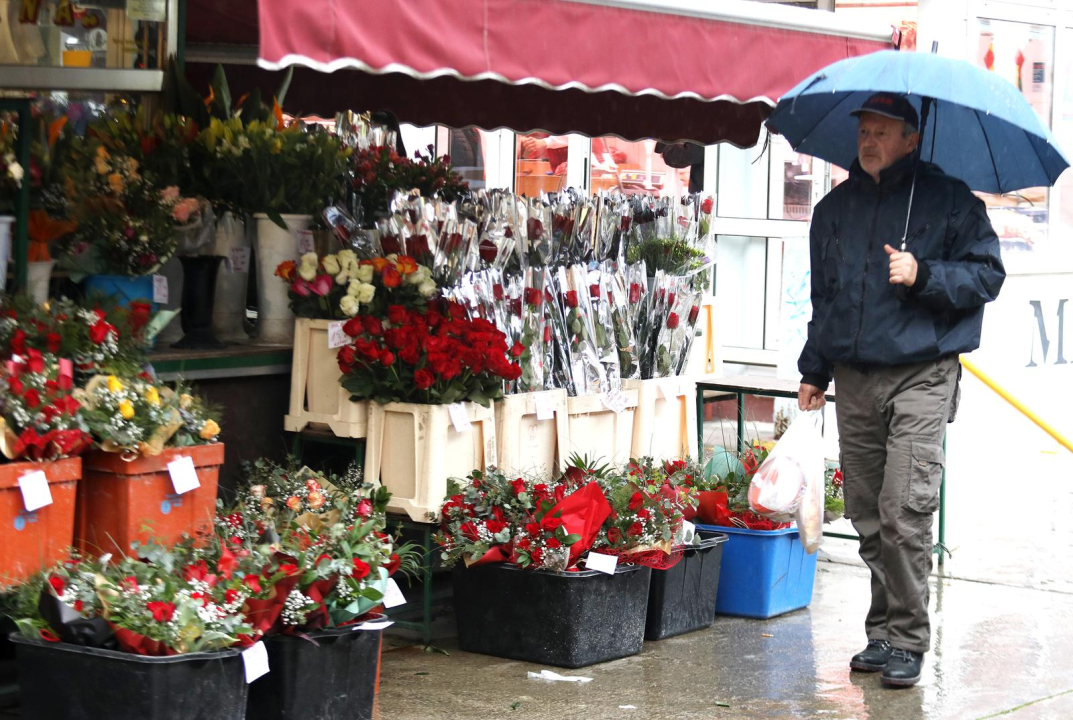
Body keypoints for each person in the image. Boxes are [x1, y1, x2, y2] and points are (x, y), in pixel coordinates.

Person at [797, 92, 1005, 688]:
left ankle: (909, 638)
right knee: (865, 513)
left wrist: (925, 274)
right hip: (855, 377)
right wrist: (814, 370)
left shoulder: (951, 202)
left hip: (922, 373)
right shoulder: (833, 211)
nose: (869, 141)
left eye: (883, 132)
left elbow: (988, 275)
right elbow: (825, 302)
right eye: (864, 130)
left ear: (912, 138)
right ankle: (882, 631)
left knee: (903, 511)